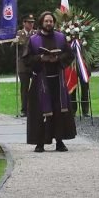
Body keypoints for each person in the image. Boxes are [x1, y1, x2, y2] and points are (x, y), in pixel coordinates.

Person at [25, 11, 77, 152]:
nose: (49, 23)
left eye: (51, 21)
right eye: (46, 21)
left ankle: (59, 141)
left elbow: (69, 54)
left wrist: (58, 58)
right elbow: (27, 59)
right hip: (40, 82)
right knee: (40, 112)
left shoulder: (60, 37)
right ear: (41, 22)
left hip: (57, 82)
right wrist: (41, 58)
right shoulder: (33, 40)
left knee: (59, 112)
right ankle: (40, 143)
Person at [15, 13, 37, 115]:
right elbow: (12, 48)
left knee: (36, 87)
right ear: (24, 23)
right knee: (24, 88)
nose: (31, 24)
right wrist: (15, 42)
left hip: (34, 63)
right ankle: (24, 109)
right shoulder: (19, 34)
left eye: (32, 22)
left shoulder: (36, 33)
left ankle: (36, 108)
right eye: (29, 22)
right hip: (23, 65)